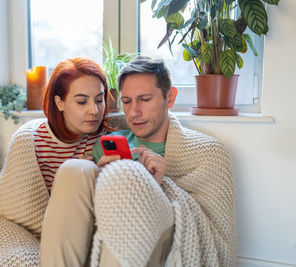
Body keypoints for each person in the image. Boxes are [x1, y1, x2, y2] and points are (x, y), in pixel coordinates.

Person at [39, 56, 237, 266]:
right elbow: (84, 217)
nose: (134, 112)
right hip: (106, 234)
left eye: (145, 99)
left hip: (164, 238)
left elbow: (216, 240)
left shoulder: (208, 152)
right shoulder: (108, 144)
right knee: (74, 169)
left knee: (125, 175)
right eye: (126, 101)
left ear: (170, 98)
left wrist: (156, 185)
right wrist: (100, 181)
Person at [0, 57, 111, 266]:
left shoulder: (104, 139)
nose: (94, 110)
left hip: (63, 234)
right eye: (82, 101)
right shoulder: (30, 138)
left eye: (99, 100)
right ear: (59, 102)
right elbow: (17, 205)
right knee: (25, 259)